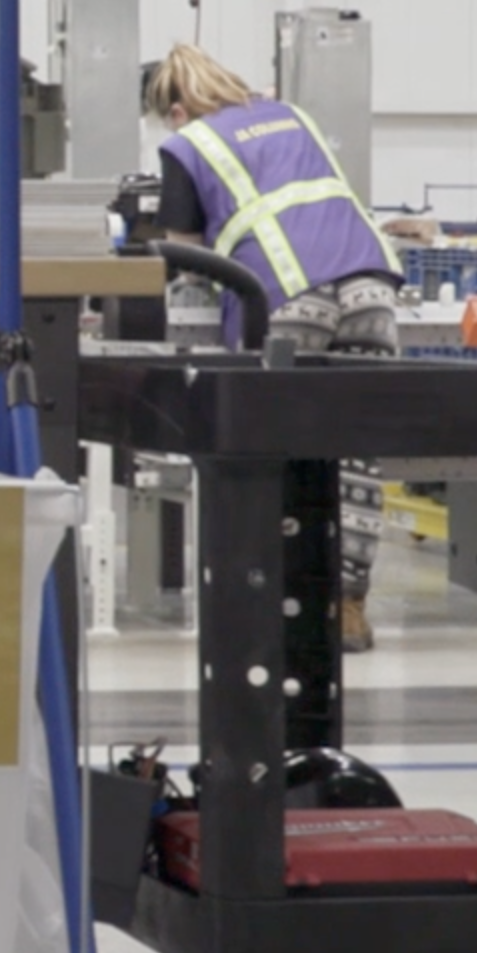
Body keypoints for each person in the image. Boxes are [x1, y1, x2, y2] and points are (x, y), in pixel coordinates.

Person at [145, 40, 405, 652]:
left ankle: (283, 602)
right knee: (356, 453)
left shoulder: (185, 145)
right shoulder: (293, 115)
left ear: (177, 110)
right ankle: (347, 609)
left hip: (287, 292)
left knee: (277, 450)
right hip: (370, 284)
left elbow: (186, 257)